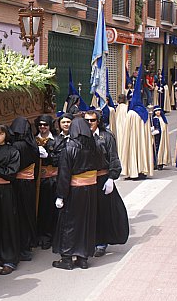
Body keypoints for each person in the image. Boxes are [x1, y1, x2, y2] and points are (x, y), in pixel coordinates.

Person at [53, 117, 102, 270]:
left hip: (74, 190)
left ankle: (67, 258)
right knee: (87, 222)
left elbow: (64, 174)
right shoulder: (95, 146)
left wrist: (60, 195)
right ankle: (83, 258)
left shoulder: (69, 148)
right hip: (90, 189)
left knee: (69, 223)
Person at [84, 111, 128, 258]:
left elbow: (113, 157)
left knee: (103, 212)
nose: (89, 123)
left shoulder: (106, 136)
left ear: (98, 121)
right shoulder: (81, 136)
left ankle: (101, 242)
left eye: (92, 120)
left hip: (102, 178)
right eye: (87, 120)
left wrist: (111, 178)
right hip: (86, 180)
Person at [0, 124, 21, 275]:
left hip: (5, 190)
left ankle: (10, 259)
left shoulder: (12, 151)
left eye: (0, 133)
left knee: (7, 223)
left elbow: (11, 173)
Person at [9, 116, 39, 262]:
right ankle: (28, 245)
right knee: (28, 215)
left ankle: (23, 248)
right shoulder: (31, 144)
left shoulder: (17, 146)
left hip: (19, 184)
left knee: (19, 216)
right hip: (29, 183)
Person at [35, 115, 60, 250]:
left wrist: (48, 156)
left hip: (52, 180)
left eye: (45, 125)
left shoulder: (56, 140)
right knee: (41, 209)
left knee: (52, 209)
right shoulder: (34, 139)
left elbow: (59, 159)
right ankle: (41, 236)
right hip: (38, 181)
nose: (43, 127)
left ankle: (52, 236)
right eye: (40, 125)